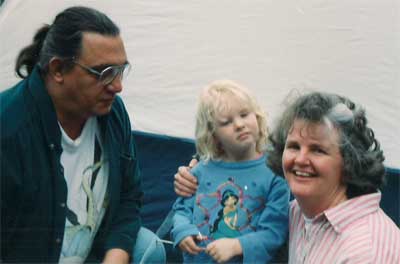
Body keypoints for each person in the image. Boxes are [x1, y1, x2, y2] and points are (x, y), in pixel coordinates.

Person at [0, 6, 165, 263]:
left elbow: (128, 197)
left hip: (92, 256)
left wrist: (115, 256)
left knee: (149, 248)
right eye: (104, 73)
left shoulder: (113, 114)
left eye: (121, 70)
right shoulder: (9, 129)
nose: (118, 86)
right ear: (58, 70)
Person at [175, 91, 400, 263]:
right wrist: (198, 172)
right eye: (293, 146)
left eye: (318, 150)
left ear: (350, 162)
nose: (300, 159)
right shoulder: (299, 213)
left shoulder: (365, 250)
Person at [171, 80, 290, 263]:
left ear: (257, 117)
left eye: (244, 114)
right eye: (226, 122)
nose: (239, 125)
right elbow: (182, 210)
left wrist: (237, 246)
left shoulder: (274, 173)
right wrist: (183, 232)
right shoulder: (201, 170)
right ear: (213, 135)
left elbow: (274, 232)